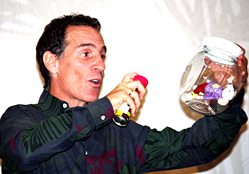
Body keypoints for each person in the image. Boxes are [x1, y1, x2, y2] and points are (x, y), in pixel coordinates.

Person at [0, 14, 248, 174]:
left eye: (102, 55)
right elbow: (24, 151)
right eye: (86, 54)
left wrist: (229, 92)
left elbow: (197, 147)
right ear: (52, 63)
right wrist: (106, 105)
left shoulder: (122, 134)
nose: (101, 65)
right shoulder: (20, 119)